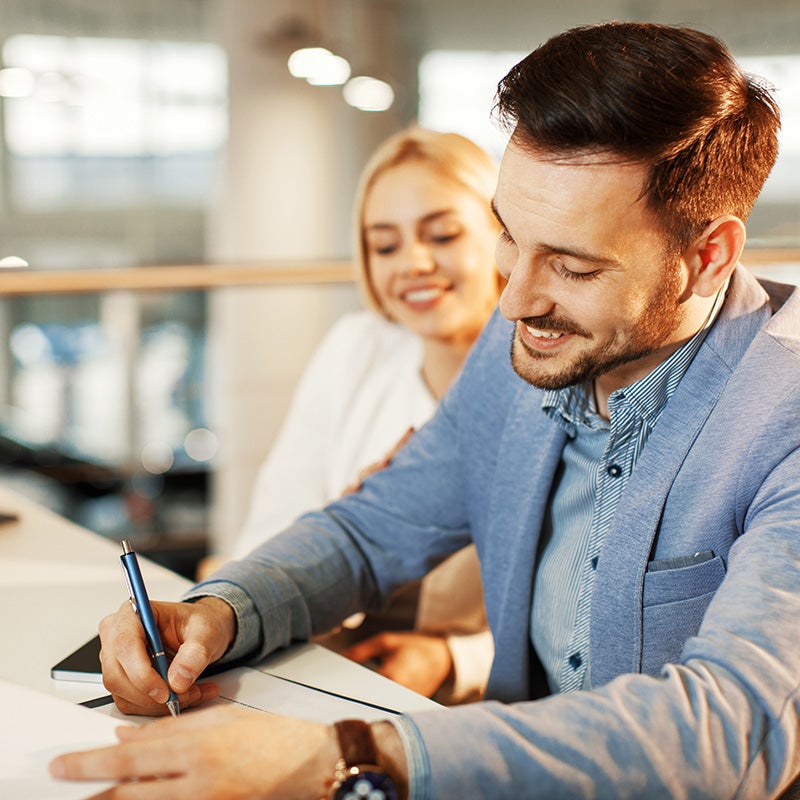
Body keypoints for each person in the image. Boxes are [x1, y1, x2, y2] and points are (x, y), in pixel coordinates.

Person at [51, 21, 800, 800]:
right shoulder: (531, 349)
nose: (513, 300)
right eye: (509, 238)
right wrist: (225, 611)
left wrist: (348, 756)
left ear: (707, 257)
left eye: (573, 268)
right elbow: (375, 529)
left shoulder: (785, 417)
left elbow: (734, 726)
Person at [199, 126, 501, 702]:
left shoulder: (553, 371)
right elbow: (274, 528)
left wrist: (454, 659)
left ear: (502, 233)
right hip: (329, 669)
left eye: (441, 234)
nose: (413, 262)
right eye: (384, 245)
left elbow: (579, 608)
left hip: (484, 704)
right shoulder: (356, 349)